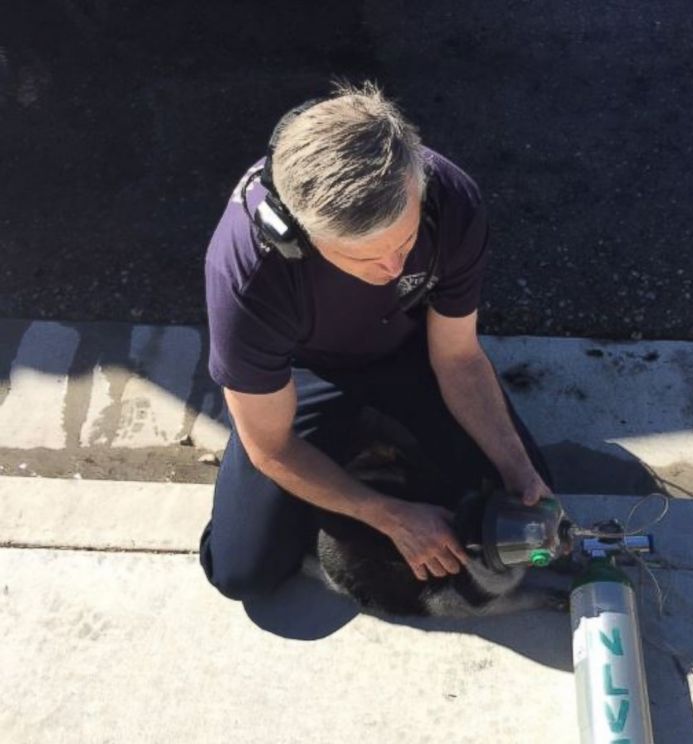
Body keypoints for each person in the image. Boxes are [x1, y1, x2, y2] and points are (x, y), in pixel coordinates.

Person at [198, 81, 555, 601]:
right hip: (300, 371)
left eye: (405, 242)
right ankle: (344, 461)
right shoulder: (247, 277)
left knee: (522, 514)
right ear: (299, 238)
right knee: (242, 571)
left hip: (411, 351)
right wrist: (388, 516)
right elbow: (270, 445)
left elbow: (456, 356)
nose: (394, 269)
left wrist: (516, 468)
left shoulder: (453, 200)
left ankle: (358, 451)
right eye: (365, 258)